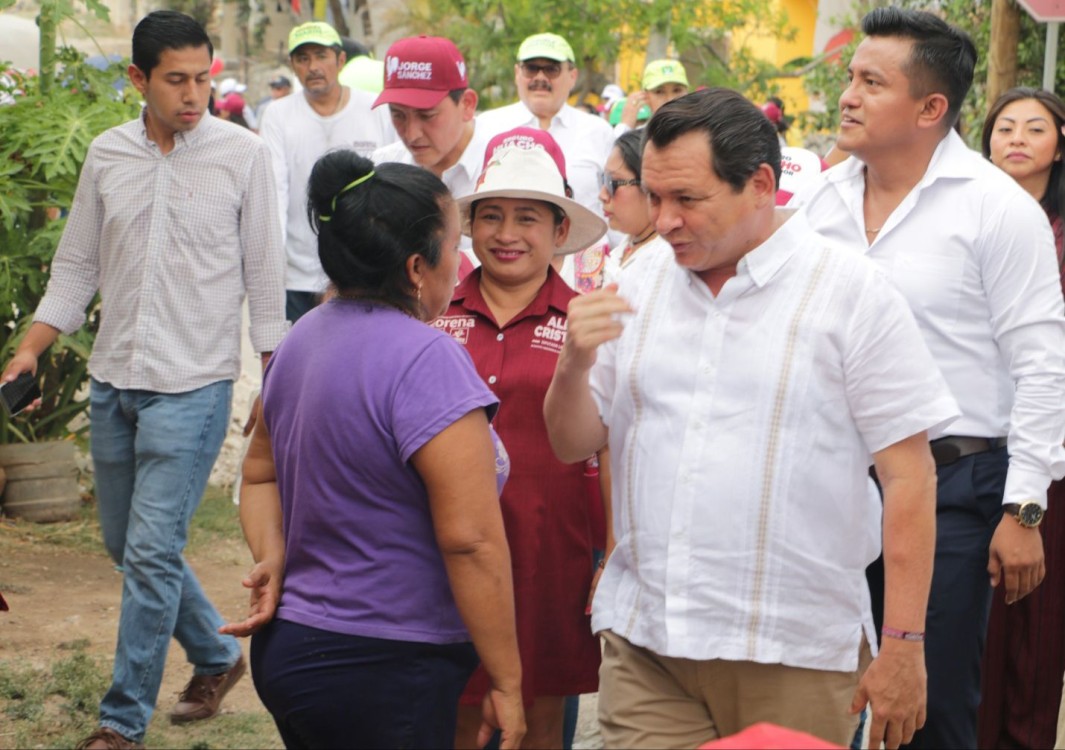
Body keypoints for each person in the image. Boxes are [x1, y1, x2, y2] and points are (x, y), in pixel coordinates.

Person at [543, 87, 960, 750]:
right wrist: (571, 361)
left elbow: (908, 478)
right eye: (652, 198)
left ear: (760, 185)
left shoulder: (851, 294)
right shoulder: (635, 283)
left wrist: (902, 645)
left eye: (687, 199)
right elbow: (572, 442)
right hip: (648, 641)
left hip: (792, 652)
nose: (665, 219)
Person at [0, 11, 287, 750]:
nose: (195, 94)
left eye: (203, 78)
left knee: (152, 550)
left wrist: (275, 379)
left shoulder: (243, 157)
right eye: (177, 80)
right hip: (113, 382)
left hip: (192, 387)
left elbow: (264, 278)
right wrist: (29, 349)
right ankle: (219, 656)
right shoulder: (106, 154)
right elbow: (75, 269)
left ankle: (120, 719)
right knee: (125, 545)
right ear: (138, 79)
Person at [796, 9, 1065, 749]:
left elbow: (1041, 362)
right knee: (816, 696)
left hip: (954, 490)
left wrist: (1025, 509)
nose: (846, 96)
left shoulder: (995, 210)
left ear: (929, 108)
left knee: (928, 706)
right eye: (849, 78)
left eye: (870, 82)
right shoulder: (816, 204)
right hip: (827, 486)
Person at [220, 151, 525, 749]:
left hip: (295, 650)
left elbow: (258, 476)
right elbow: (470, 540)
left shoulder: (303, 337)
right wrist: (509, 680)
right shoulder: (427, 358)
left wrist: (274, 555)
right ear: (417, 266)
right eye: (454, 245)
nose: (461, 262)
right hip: (387, 663)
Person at [431, 127, 605, 750]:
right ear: (470, 225)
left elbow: (609, 443)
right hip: (440, 554)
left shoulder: (590, 321)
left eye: (528, 218)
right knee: (451, 716)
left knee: (535, 722)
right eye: (492, 216)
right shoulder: (430, 313)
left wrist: (611, 549)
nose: (507, 234)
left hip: (550, 554)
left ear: (560, 231)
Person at [978, 86, 1065, 750]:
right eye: (1003, 126)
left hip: (1046, 446)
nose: (1015, 138)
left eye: (1033, 128)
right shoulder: (968, 220)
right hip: (969, 440)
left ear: (1058, 145)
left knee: (1032, 614)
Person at [258, 21, 396, 323]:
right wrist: (273, 267)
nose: (313, 67)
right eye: (303, 59)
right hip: (299, 276)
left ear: (341, 60)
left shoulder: (375, 109)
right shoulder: (278, 115)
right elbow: (274, 191)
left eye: (321, 56)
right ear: (293, 66)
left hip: (364, 272)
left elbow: (391, 182)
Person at [370, 35, 490, 274]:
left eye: (427, 116)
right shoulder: (382, 169)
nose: (411, 134)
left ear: (467, 104)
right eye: (398, 115)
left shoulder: (503, 166)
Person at [476, 32, 614, 221]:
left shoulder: (598, 131)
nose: (540, 77)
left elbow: (614, 201)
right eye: (531, 68)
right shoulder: (487, 126)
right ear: (517, 74)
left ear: (573, 76)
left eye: (552, 69)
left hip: (587, 249)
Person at [599, 129, 669, 283]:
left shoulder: (668, 261)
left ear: (650, 187)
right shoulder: (626, 247)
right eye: (603, 180)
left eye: (612, 183)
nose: (602, 195)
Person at [615, 58, 689, 133]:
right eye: (659, 92)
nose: (670, 99)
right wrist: (627, 123)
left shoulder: (699, 131)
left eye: (677, 90)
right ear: (645, 96)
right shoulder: (640, 137)